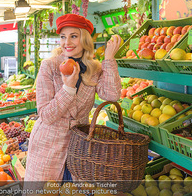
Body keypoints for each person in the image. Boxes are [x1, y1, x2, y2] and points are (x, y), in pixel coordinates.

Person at [24, 14, 122, 182]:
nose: (66, 42)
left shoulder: (95, 68)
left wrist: (109, 60)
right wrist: (68, 88)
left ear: (84, 39)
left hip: (79, 146)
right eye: (63, 37)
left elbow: (111, 95)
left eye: (73, 36)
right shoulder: (50, 66)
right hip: (48, 145)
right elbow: (46, 115)